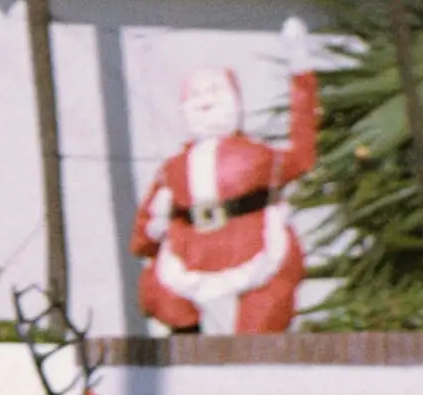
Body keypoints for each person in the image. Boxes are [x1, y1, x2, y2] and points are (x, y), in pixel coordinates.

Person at [131, 17, 321, 336]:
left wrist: (300, 70)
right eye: (197, 95)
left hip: (254, 243)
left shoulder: (261, 157)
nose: (205, 100)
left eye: (215, 92)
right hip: (192, 247)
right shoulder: (174, 168)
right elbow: (151, 216)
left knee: (262, 318)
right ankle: (188, 342)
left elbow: (302, 148)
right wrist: (146, 241)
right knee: (160, 292)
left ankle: (253, 364)